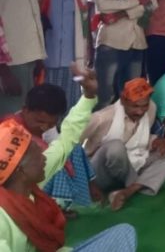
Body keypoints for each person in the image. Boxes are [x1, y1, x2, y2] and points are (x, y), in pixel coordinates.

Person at [0, 66, 138, 252]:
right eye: (37, 154)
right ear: (20, 169)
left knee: (123, 233)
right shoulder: (2, 217)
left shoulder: (26, 184)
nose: (44, 156)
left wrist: (88, 96)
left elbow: (66, 139)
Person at [82, 77, 165, 211]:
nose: (140, 111)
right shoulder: (101, 118)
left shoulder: (151, 108)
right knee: (115, 147)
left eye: (144, 106)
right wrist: (89, 183)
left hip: (133, 164)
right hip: (100, 173)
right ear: (123, 100)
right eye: (135, 106)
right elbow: (70, 147)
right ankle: (141, 182)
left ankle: (129, 191)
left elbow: (138, 139)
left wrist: (156, 140)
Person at [1, 83, 102, 218]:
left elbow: (66, 140)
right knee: (58, 167)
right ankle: (60, 206)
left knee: (73, 150)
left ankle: (78, 202)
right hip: (22, 192)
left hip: (35, 185)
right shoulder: (11, 127)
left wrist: (88, 98)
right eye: (40, 121)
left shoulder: (45, 130)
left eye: (51, 124)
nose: (44, 127)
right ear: (25, 110)